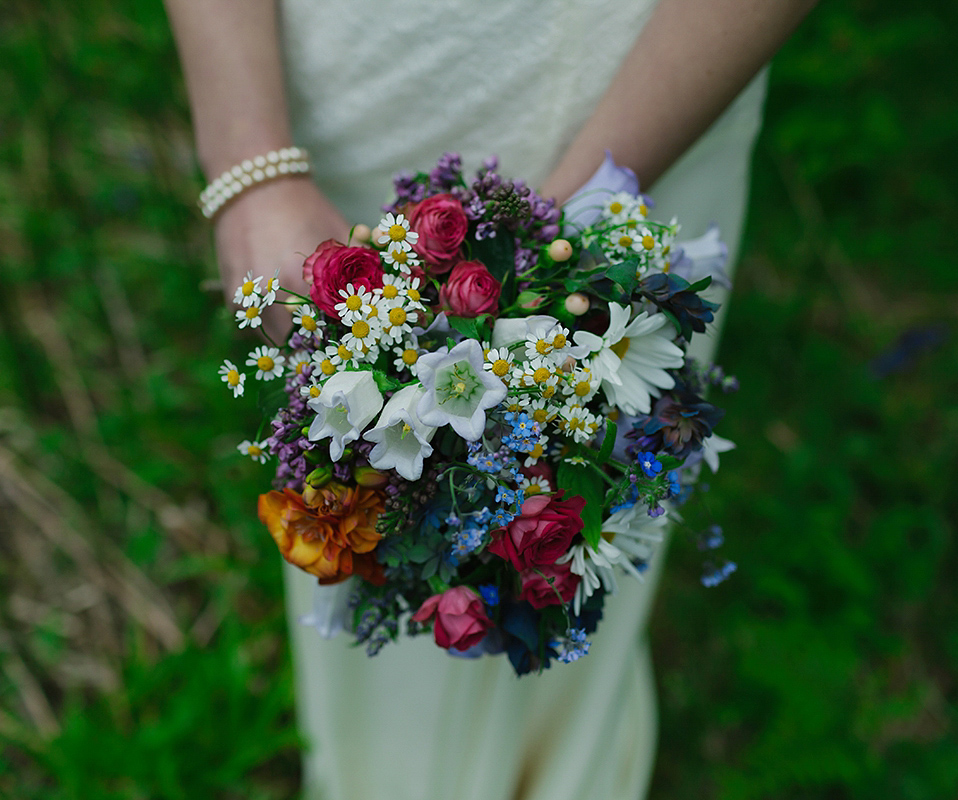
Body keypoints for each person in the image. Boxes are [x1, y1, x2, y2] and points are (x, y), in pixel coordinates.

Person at [163, 1, 816, 798]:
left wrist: (556, 267)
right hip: (358, 86)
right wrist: (250, 167)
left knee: (586, 527)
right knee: (374, 531)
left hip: (662, 84)